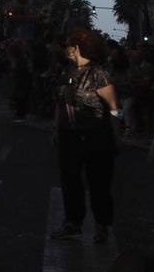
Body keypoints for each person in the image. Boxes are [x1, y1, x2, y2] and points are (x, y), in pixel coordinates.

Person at [51, 28, 122, 244]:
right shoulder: (66, 73)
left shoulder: (99, 75)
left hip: (96, 137)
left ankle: (102, 226)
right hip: (69, 136)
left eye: (67, 44)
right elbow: (59, 103)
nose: (64, 48)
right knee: (70, 180)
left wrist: (116, 137)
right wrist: (56, 128)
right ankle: (73, 222)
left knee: (99, 183)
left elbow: (113, 107)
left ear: (77, 47)